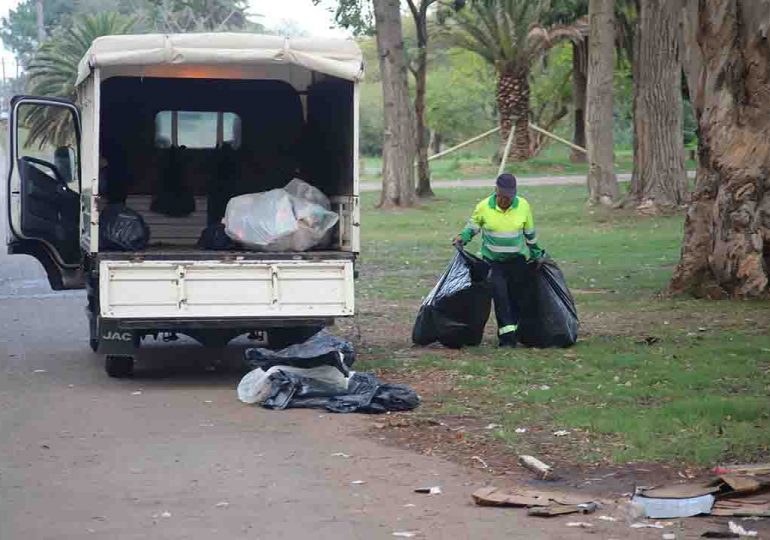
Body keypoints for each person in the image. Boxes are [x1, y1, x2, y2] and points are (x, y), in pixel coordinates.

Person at [453, 173, 546, 347]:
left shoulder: (523, 206)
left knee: (516, 299)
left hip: (517, 261)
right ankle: (507, 340)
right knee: (501, 298)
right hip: (493, 263)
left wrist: (537, 253)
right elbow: (472, 228)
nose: (506, 201)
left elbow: (530, 234)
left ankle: (516, 332)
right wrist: (462, 238)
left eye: (509, 197)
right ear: (496, 191)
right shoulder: (483, 207)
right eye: (503, 197)